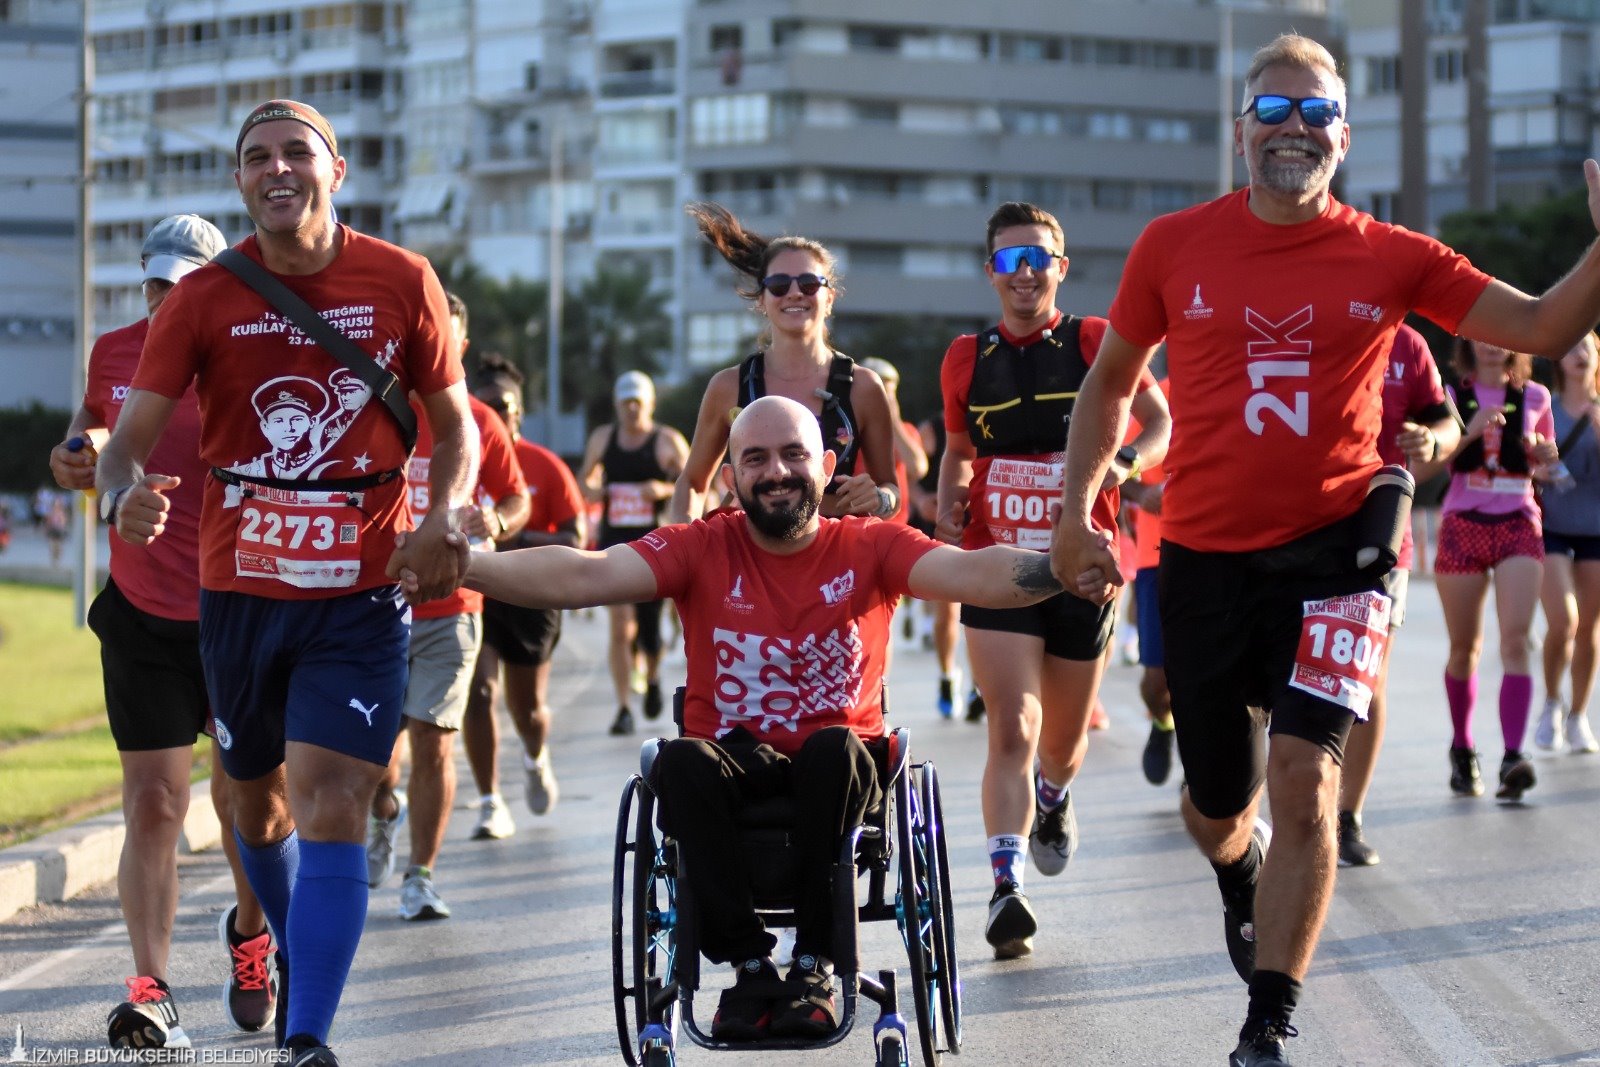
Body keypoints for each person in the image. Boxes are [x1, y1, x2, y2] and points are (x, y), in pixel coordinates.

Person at [1052, 34, 1600, 1066]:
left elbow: (1538, 321)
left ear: (1344, 136)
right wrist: (1075, 509)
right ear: (1239, 128)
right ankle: (1234, 866)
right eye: (1273, 110)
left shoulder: (1388, 255)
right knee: (1217, 805)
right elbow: (1111, 382)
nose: (1292, 128)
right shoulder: (1172, 245)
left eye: (1315, 113)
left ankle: (1267, 1021)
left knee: (1305, 775)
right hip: (1206, 556)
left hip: (1341, 553)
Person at [398, 395, 1068, 1041]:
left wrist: (1059, 569)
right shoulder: (702, 546)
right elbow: (584, 575)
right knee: (678, 758)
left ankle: (813, 963)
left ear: (827, 467)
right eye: (755, 458)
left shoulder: (871, 545)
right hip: (732, 764)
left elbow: (973, 573)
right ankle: (748, 965)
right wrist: (466, 567)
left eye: (792, 454)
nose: (775, 472)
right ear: (730, 476)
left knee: (835, 747)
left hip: (836, 767)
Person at [95, 99, 477, 1067]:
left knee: (334, 797)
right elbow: (124, 443)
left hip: (358, 594)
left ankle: (307, 1035)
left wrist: (445, 512)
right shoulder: (203, 297)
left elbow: (456, 426)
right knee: (251, 806)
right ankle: (271, 929)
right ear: (239, 182)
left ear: (334, 170)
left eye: (295, 152)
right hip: (241, 597)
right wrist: (122, 494)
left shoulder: (401, 279)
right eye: (256, 156)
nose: (276, 168)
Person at [50, 214, 278, 1051]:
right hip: (142, 614)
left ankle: (251, 938)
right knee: (154, 803)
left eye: (181, 285)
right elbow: (91, 428)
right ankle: (150, 988)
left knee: (245, 803)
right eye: (154, 283)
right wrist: (72, 458)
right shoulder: (117, 349)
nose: (164, 299)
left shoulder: (252, 352)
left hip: (237, 610)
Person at [936, 201, 1169, 960]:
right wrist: (949, 496)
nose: (1025, 271)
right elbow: (958, 449)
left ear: (1061, 269)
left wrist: (1125, 468)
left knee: (1061, 746)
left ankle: (1055, 795)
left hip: (1083, 567)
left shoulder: (1097, 340)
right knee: (1013, 726)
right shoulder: (965, 357)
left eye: (1039, 257)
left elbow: (1160, 423)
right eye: (1010, 259)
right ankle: (1006, 886)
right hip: (996, 563)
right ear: (991, 273)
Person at [364, 293, 531, 920]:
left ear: (456, 345)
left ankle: (420, 874)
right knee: (377, 755)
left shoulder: (480, 421)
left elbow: (518, 501)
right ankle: (384, 809)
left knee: (433, 741)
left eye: (445, 338)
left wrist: (494, 517)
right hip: (375, 605)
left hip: (453, 607)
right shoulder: (375, 409)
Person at [670, 202, 902, 529]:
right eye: (779, 285)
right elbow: (692, 482)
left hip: (835, 561)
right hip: (749, 557)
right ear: (762, 300)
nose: (794, 293)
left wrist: (880, 499)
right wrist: (682, 545)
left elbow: (891, 489)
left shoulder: (863, 387)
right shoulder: (729, 387)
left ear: (829, 297)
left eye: (808, 284)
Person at [1338, 324, 1459, 866]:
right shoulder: (1307, 317)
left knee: (1366, 679)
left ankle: (1347, 816)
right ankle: (1287, 801)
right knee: (1289, 673)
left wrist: (1433, 440)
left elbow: (1445, 420)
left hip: (1387, 534)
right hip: (1302, 528)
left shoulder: (1407, 344)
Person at [461, 354, 588, 837]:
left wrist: (514, 539)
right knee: (480, 691)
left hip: (533, 594)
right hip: (479, 591)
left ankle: (535, 756)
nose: (498, 413)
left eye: (506, 404)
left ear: (520, 411)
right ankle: (491, 801)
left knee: (527, 709)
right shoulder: (462, 456)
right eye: (485, 403)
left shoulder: (545, 466)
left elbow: (576, 537)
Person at [1436, 339, 1558, 802]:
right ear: (1467, 344)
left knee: (1516, 640)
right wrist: (1471, 431)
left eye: (1499, 336)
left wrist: (1545, 458)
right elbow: (1437, 458)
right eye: (1480, 336)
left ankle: (1513, 755)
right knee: (1464, 647)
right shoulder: (1449, 395)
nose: (1491, 345)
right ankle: (1463, 748)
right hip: (1462, 522)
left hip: (1517, 523)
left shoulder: (1536, 397)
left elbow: (1545, 469)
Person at [577, 371, 689, 736]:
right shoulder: (603, 438)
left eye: (638, 402)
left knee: (650, 630)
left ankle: (654, 676)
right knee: (620, 628)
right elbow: (585, 481)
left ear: (650, 403)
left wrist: (660, 488)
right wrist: (596, 491)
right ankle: (624, 706)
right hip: (614, 544)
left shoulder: (667, 441)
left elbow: (694, 484)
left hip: (654, 545)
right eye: (625, 402)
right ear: (617, 404)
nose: (631, 409)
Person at [1535, 331, 1600, 755]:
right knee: (1564, 622)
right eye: (1570, 348)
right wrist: (1537, 467)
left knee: (1590, 632)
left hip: (1595, 529)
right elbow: (1523, 465)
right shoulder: (1546, 408)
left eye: (1586, 348)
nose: (1578, 355)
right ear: (1559, 361)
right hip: (1551, 526)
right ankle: (1551, 704)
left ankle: (1578, 717)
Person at [1116, 377, 1177, 787]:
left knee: (1210, 672)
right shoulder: (1157, 397)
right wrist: (1141, 496)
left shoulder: (1243, 386)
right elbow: (1116, 469)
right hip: (1157, 556)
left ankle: (1205, 765)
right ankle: (1162, 722)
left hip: (1221, 554)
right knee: (1157, 681)